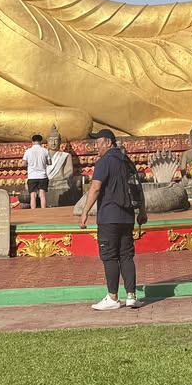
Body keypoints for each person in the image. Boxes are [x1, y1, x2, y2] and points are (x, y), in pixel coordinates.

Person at [77, 128, 145, 309]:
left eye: (98, 143)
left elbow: (95, 188)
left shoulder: (104, 162)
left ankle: (113, 298)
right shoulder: (127, 161)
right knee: (126, 256)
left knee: (109, 257)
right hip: (127, 217)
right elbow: (138, 188)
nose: (96, 147)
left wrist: (84, 212)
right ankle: (131, 296)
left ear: (109, 143)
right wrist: (142, 211)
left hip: (109, 216)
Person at [22, 132, 52, 210]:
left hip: (32, 176)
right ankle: (43, 211)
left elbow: (23, 163)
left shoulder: (28, 151)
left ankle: (33, 211)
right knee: (42, 195)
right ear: (41, 141)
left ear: (32, 142)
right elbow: (49, 162)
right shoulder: (45, 151)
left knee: (33, 196)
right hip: (42, 176)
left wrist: (30, 164)